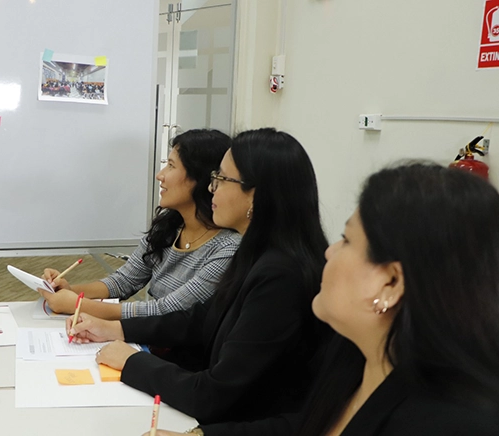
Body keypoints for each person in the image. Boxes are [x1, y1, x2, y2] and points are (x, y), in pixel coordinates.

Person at [150, 163, 499, 435]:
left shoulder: (449, 422)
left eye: (347, 241)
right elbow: (301, 427)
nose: (329, 252)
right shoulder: (353, 358)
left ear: (391, 283)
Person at [69, 128, 331, 424]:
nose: (211, 188)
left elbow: (213, 394)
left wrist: (132, 361)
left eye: (221, 179)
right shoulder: (258, 252)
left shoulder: (280, 276)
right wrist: (116, 329)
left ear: (255, 195)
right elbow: (199, 319)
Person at [39, 129, 240, 320]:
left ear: (200, 178)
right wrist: (70, 291)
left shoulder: (227, 247)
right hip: (148, 334)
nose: (160, 175)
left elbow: (167, 311)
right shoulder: (168, 227)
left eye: (171, 166)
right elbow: (125, 280)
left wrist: (79, 305)